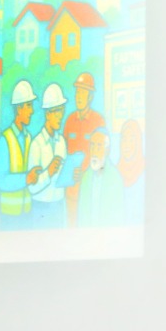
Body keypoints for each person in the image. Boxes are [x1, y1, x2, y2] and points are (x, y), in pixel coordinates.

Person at [27, 82, 73, 228]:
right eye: (56, 112)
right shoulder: (36, 145)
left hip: (59, 205)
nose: (60, 117)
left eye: (62, 111)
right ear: (48, 113)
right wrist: (48, 173)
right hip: (41, 208)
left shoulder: (62, 143)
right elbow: (32, 188)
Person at [0, 80, 42, 228]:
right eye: (29, 105)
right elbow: (2, 181)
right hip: (9, 216)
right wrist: (26, 178)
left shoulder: (29, 138)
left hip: (27, 212)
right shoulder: (5, 139)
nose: (32, 111)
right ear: (19, 108)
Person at [63, 72, 106, 226]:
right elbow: (64, 154)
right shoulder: (69, 121)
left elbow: (102, 158)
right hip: (71, 191)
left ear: (90, 97)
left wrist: (87, 174)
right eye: (77, 92)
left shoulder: (98, 121)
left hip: (90, 191)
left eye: (83, 92)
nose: (78, 97)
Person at [75, 128, 125, 228]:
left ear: (107, 150)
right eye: (92, 145)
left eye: (99, 146)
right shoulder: (86, 177)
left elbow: (118, 218)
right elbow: (81, 215)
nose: (94, 151)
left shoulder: (115, 179)